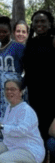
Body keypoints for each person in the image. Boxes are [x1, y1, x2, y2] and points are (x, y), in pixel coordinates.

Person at [23, 10, 55, 144]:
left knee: (51, 131)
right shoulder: (30, 43)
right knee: (39, 128)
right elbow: (28, 71)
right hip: (35, 94)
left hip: (52, 94)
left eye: (43, 21)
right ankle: (42, 160)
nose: (39, 24)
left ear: (50, 23)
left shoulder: (53, 41)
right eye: (36, 21)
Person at [0, 16, 25, 120]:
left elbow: (27, 68)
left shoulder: (18, 47)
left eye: (4, 32)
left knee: (11, 116)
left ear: (10, 32)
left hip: (12, 88)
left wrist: (22, 87)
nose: (1, 34)